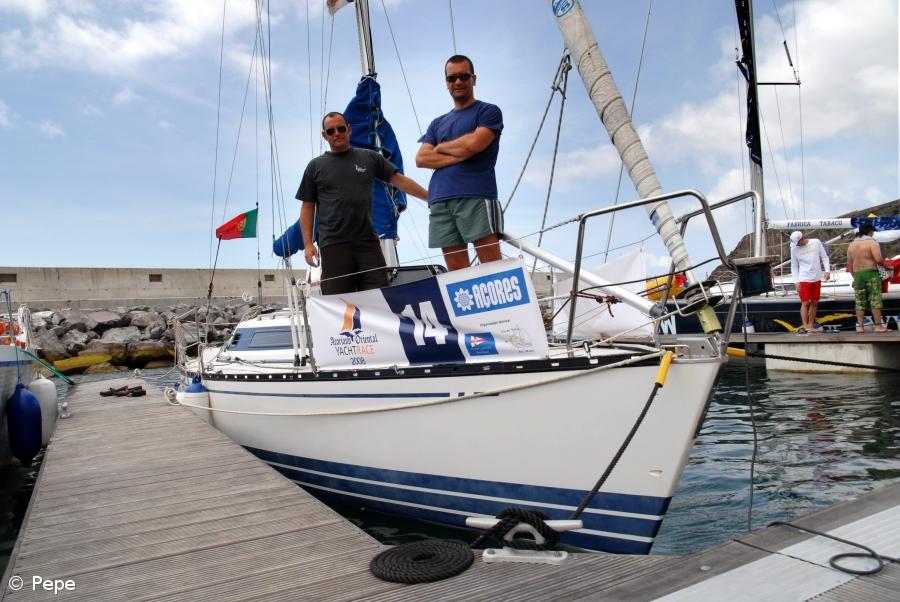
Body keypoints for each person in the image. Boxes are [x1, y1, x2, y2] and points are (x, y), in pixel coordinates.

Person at [298, 112, 428, 295]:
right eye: (331, 130)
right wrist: (308, 244)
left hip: (368, 243)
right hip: (333, 245)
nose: (337, 133)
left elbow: (399, 180)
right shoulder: (315, 167)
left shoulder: (370, 158)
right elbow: (307, 206)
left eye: (341, 128)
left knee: (379, 298)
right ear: (324, 135)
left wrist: (430, 197)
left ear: (349, 129)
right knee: (339, 303)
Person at [416, 54, 504, 271]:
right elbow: (422, 159)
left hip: (475, 196)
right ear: (446, 83)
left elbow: (473, 145)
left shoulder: (488, 111)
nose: (457, 82)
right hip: (440, 200)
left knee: (493, 268)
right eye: (451, 78)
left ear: (474, 79)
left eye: (463, 76)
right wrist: (462, 152)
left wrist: (441, 147)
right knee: (458, 274)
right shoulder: (437, 123)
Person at [846, 223, 888, 332]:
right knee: (875, 300)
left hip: (858, 275)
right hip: (871, 273)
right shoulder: (872, 242)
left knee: (860, 302)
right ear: (869, 231)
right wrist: (886, 266)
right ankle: (878, 326)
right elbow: (878, 259)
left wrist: (855, 277)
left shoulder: (852, 245)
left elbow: (849, 265)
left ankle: (860, 327)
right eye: (873, 231)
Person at [789, 230, 831, 333]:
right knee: (805, 302)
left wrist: (827, 271)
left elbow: (824, 257)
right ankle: (805, 326)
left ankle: (811, 325)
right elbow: (794, 266)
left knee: (814, 302)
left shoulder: (816, 242)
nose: (796, 245)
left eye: (797, 242)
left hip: (816, 277)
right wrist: (796, 282)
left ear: (802, 238)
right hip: (803, 278)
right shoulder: (794, 249)